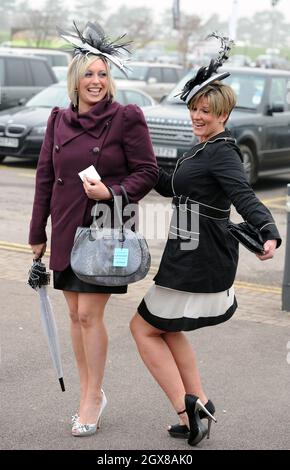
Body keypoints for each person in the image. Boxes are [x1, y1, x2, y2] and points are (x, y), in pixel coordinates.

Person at [130, 34, 281, 446]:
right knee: (168, 328)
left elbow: (244, 196)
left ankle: (187, 410)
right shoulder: (200, 150)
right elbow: (172, 187)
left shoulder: (222, 152)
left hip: (200, 256)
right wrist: (135, 170)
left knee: (142, 329)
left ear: (224, 115)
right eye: (195, 108)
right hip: (189, 251)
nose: (197, 116)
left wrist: (267, 230)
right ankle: (203, 403)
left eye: (206, 112)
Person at [29, 21, 158, 437]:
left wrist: (112, 191)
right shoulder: (58, 119)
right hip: (66, 226)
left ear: (110, 79)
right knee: (73, 313)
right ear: (75, 79)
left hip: (107, 229)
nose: (97, 81)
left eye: (103, 74)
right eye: (89, 73)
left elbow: (149, 172)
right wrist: (37, 233)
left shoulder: (126, 118)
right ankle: (91, 392)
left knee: (88, 313)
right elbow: (45, 177)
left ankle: (91, 397)